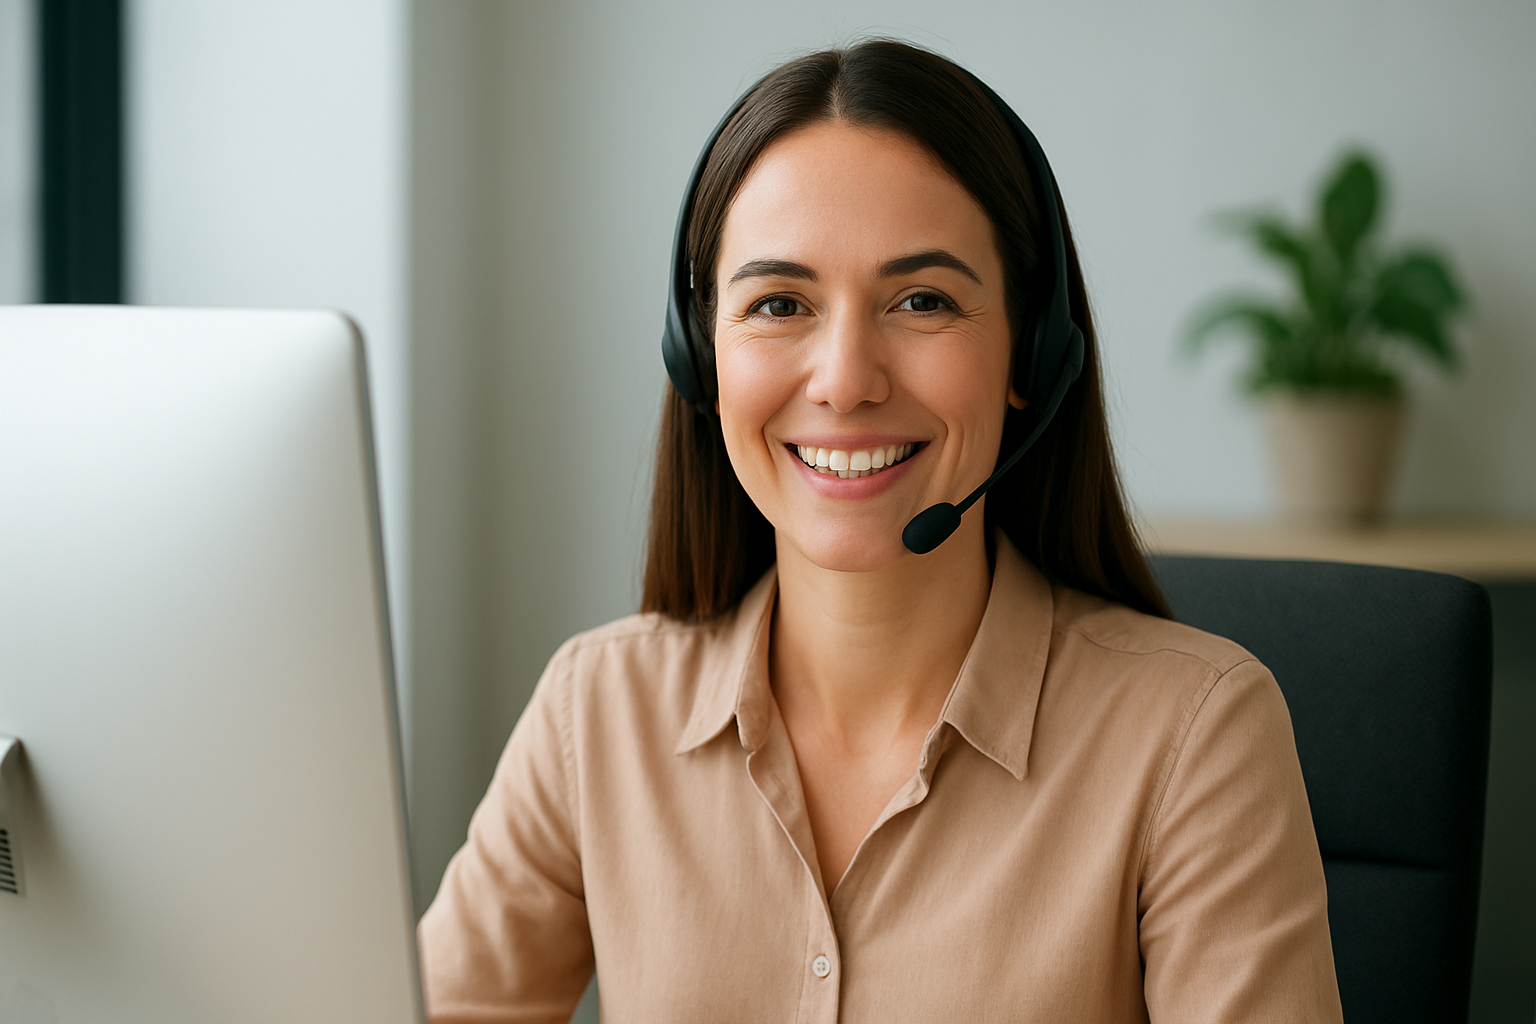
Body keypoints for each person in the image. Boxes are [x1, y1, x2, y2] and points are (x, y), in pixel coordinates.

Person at [418, 40, 1344, 1023]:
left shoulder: (1192, 737)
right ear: (701, 358)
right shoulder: (597, 714)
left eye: (922, 301)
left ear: (1033, 352)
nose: (846, 379)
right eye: (779, 303)